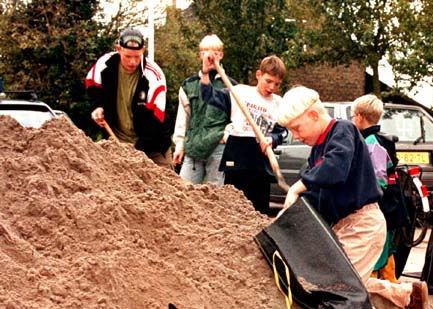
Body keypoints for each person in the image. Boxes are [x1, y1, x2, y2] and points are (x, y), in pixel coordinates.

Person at [277, 86, 427, 309]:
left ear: (312, 115)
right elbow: (317, 195)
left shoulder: (343, 131)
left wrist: (300, 185)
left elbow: (334, 168)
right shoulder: (317, 149)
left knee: (341, 289)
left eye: (297, 128)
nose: (296, 136)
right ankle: (408, 295)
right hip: (346, 225)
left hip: (363, 223)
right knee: (348, 276)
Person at [351, 94, 427, 309]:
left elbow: (376, 182)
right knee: (387, 257)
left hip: (384, 210)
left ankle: (385, 302)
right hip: (392, 209)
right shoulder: (380, 140)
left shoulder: (372, 144)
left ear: (360, 117)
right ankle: (396, 297)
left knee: (376, 258)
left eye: (353, 116)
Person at [199, 54, 287, 214]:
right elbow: (208, 96)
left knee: (258, 212)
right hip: (237, 157)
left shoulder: (279, 104)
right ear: (258, 75)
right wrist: (205, 73)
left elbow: (281, 132)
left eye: (277, 84)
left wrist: (271, 139)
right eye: (268, 81)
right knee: (233, 210)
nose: (272, 87)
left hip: (260, 161)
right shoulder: (239, 93)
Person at [86, 28, 172, 168]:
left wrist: (135, 154)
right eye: (128, 57)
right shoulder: (105, 64)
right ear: (118, 49)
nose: (132, 62)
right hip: (117, 143)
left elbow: (156, 122)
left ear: (143, 50)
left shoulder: (154, 76)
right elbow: (92, 85)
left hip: (154, 147)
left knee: (164, 187)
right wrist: (97, 106)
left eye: (137, 57)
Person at [172, 34, 230, 185]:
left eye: (215, 54)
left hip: (217, 148)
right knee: (184, 192)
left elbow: (237, 118)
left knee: (215, 196)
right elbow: (182, 118)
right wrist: (180, 145)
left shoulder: (230, 86)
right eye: (206, 53)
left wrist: (227, 135)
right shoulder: (189, 85)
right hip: (194, 148)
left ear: (221, 55)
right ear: (200, 55)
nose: (210, 58)